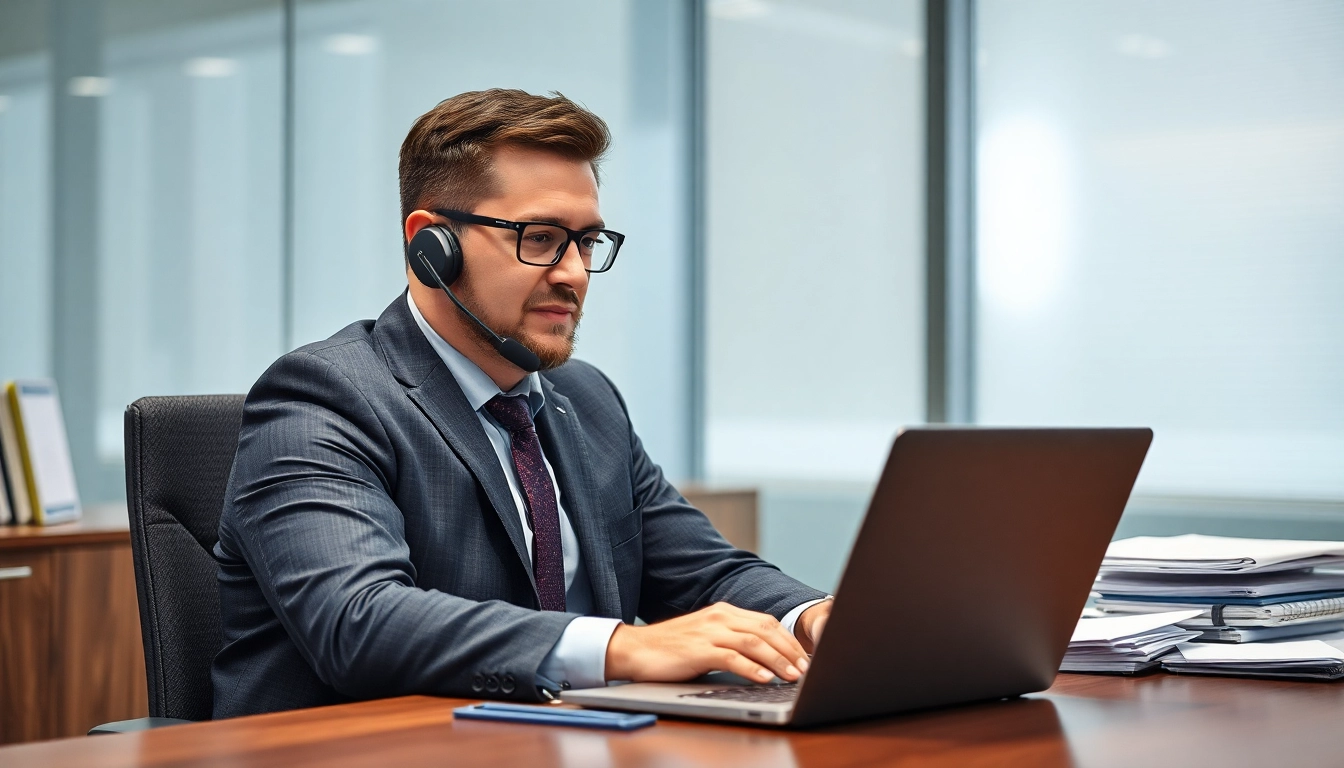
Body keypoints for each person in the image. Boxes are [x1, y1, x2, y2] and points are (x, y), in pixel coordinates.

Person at [211, 89, 832, 718]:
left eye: (586, 242)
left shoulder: (587, 400)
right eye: (540, 238)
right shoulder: (323, 396)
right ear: (431, 245)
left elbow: (703, 573)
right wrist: (623, 647)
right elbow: (358, 620)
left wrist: (815, 616)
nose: (574, 273)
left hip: (572, 742)